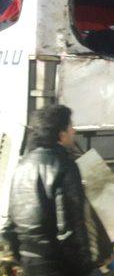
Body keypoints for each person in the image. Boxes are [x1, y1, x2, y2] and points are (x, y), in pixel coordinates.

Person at [1, 105, 100, 276]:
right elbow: (70, 227)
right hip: (58, 264)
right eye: (70, 127)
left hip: (29, 263)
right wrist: (85, 267)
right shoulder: (64, 166)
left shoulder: (22, 166)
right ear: (61, 134)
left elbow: (10, 225)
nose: (74, 131)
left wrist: (21, 257)